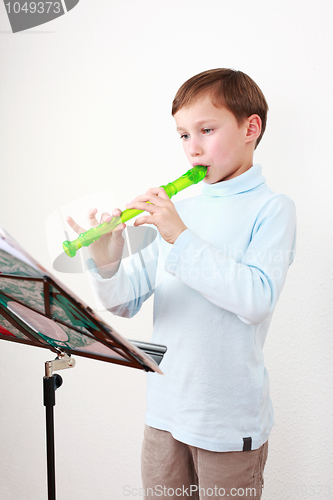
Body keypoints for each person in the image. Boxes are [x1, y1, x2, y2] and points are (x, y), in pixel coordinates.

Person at [66, 69, 296, 499]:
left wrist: (181, 236)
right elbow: (123, 305)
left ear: (250, 128)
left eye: (206, 130)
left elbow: (256, 300)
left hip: (227, 420)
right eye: (183, 135)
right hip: (166, 409)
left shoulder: (272, 208)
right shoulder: (180, 207)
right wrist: (107, 261)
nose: (193, 148)